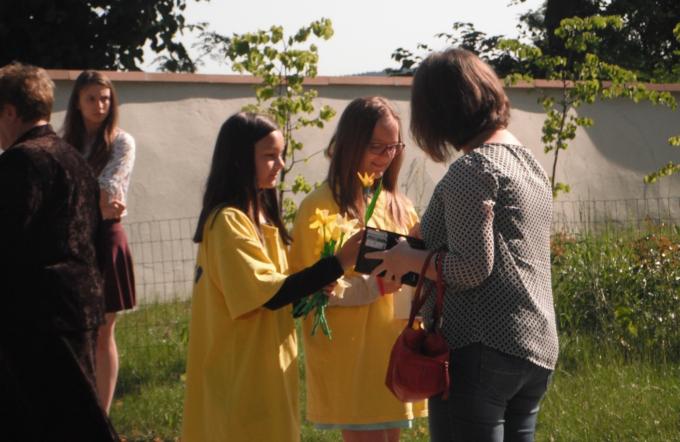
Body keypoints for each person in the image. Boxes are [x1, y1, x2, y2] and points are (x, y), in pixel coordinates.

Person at [367, 48, 558, 442]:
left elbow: (471, 268)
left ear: (441, 111)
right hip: (535, 346)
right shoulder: (529, 164)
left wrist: (408, 258)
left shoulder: (473, 168)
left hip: (480, 344)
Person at [180, 112, 362, 442]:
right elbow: (270, 295)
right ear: (239, 159)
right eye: (269, 155)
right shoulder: (228, 223)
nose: (280, 164)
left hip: (266, 369)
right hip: (239, 375)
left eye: (282, 154)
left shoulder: (262, 218)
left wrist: (314, 291)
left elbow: (281, 296)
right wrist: (338, 262)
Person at [289, 96, 426, 442]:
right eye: (376, 146)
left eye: (393, 147)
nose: (385, 156)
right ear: (350, 144)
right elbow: (307, 294)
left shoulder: (399, 205)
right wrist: (375, 286)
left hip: (395, 351)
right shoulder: (318, 207)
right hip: (352, 360)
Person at [0, 62, 118, 440]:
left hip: (37, 318)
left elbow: (8, 237)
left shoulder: (22, 160)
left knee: (63, 422)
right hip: (78, 306)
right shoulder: (73, 158)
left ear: (10, 112)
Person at [62, 70, 136, 413]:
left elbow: (108, 189)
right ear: (77, 102)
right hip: (71, 237)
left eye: (105, 98)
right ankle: (77, 406)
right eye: (91, 98)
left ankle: (101, 416)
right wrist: (93, 201)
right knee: (76, 327)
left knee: (105, 328)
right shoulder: (64, 143)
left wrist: (81, 199)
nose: (99, 105)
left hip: (106, 236)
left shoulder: (121, 141)